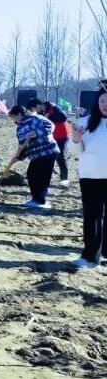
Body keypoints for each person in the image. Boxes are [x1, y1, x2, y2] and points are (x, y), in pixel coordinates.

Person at [71, 90, 107, 270]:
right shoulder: (85, 122)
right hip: (90, 177)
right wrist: (76, 139)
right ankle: (90, 256)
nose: (105, 105)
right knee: (92, 217)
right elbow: (73, 151)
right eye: (102, 101)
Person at [8, 105, 59, 209]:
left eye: (14, 117)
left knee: (42, 176)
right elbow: (22, 145)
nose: (14, 120)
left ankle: (40, 201)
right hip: (35, 154)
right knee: (31, 174)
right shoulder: (19, 128)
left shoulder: (36, 118)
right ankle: (35, 199)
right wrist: (19, 157)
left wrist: (36, 133)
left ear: (19, 114)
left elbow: (50, 126)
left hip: (47, 151)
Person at [29, 98, 71, 187]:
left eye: (35, 108)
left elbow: (64, 117)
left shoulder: (54, 108)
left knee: (60, 156)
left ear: (39, 105)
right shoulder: (40, 112)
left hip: (62, 135)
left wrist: (49, 117)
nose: (35, 111)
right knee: (49, 154)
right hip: (52, 136)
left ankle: (64, 179)